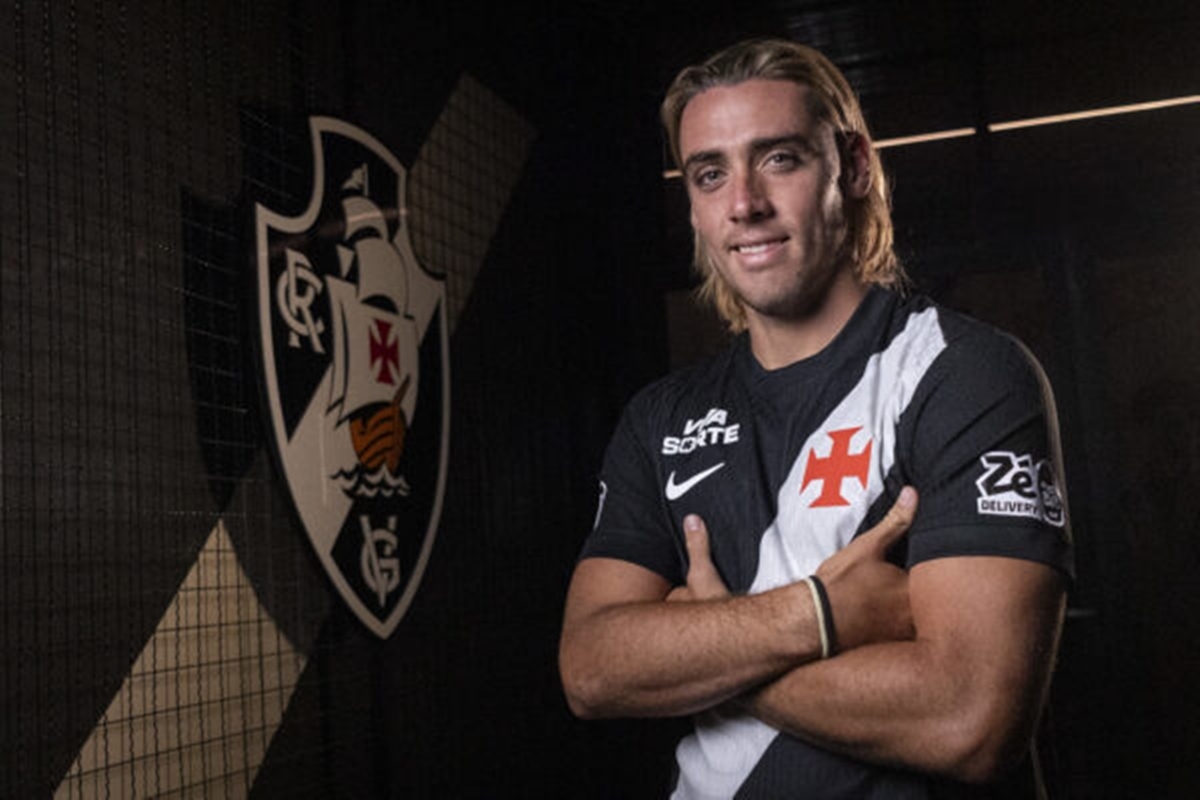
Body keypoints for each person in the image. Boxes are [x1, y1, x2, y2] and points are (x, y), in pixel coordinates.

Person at [559, 38, 1075, 799]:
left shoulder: (960, 374)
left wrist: (706, 643)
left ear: (854, 167)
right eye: (710, 173)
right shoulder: (660, 418)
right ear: (695, 205)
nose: (744, 203)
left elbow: (970, 720)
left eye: (779, 159)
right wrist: (818, 615)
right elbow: (592, 669)